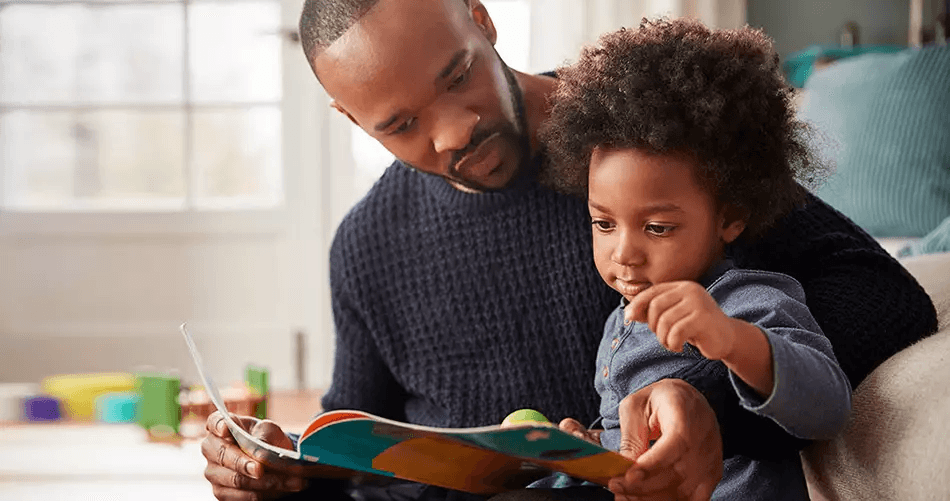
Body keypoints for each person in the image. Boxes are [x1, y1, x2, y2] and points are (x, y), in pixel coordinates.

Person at [199, 1, 939, 500]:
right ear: (350, 118)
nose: (453, 131)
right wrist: (278, 472)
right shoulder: (365, 246)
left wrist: (710, 403)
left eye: (457, 75)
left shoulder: (646, 145)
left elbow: (887, 301)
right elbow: (360, 455)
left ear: (481, 19)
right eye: (399, 123)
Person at [534, 18, 851, 499]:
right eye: (604, 223)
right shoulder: (619, 325)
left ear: (731, 217)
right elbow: (639, 447)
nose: (624, 253)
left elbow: (829, 407)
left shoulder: (746, 300)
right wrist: (591, 445)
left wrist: (730, 339)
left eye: (657, 228)